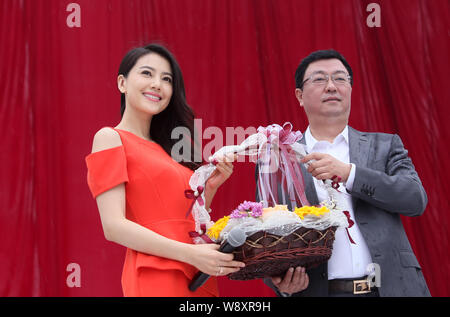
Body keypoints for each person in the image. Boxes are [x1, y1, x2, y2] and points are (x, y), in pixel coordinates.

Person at [261, 49, 430, 297]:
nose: (331, 86)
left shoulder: (384, 146)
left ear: (350, 90)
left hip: (392, 288)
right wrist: (279, 283)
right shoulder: (278, 159)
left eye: (340, 79)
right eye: (319, 79)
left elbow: (415, 199)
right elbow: (265, 235)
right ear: (299, 95)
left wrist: (349, 173)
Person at [85, 43, 245, 297]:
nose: (157, 84)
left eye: (166, 78)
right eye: (147, 73)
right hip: (156, 275)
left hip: (199, 274)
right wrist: (190, 254)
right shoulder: (110, 137)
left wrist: (210, 187)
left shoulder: (172, 149)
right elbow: (113, 226)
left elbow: (184, 219)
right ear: (122, 83)